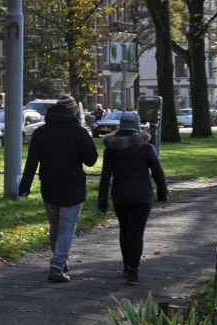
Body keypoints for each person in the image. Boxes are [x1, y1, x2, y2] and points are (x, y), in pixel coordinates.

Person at [18, 93, 98, 283]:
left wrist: (24, 188)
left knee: (55, 225)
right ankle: (57, 265)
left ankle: (60, 259)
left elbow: (31, 163)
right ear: (73, 111)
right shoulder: (78, 131)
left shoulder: (40, 132)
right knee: (67, 229)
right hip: (72, 186)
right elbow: (91, 159)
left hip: (50, 186)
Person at [97, 113, 168, 284]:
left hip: (120, 194)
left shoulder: (112, 148)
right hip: (142, 194)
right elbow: (158, 172)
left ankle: (126, 264)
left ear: (121, 126)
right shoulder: (146, 147)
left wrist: (102, 198)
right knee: (137, 233)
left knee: (124, 229)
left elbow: (106, 175)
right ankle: (133, 271)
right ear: (137, 126)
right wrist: (162, 192)